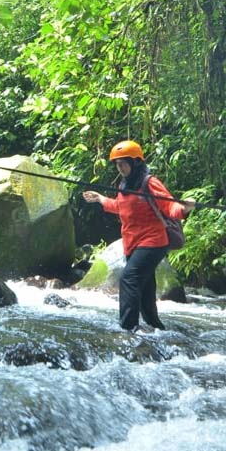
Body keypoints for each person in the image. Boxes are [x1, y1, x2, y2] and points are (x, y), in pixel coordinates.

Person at [82, 140, 191, 332]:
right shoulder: (125, 184)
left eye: (123, 163)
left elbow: (169, 205)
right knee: (146, 287)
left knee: (129, 279)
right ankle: (155, 326)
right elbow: (120, 207)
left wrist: (183, 209)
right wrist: (100, 199)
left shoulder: (149, 182)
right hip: (132, 243)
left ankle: (128, 328)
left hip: (153, 241)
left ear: (135, 162)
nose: (120, 167)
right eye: (117, 164)